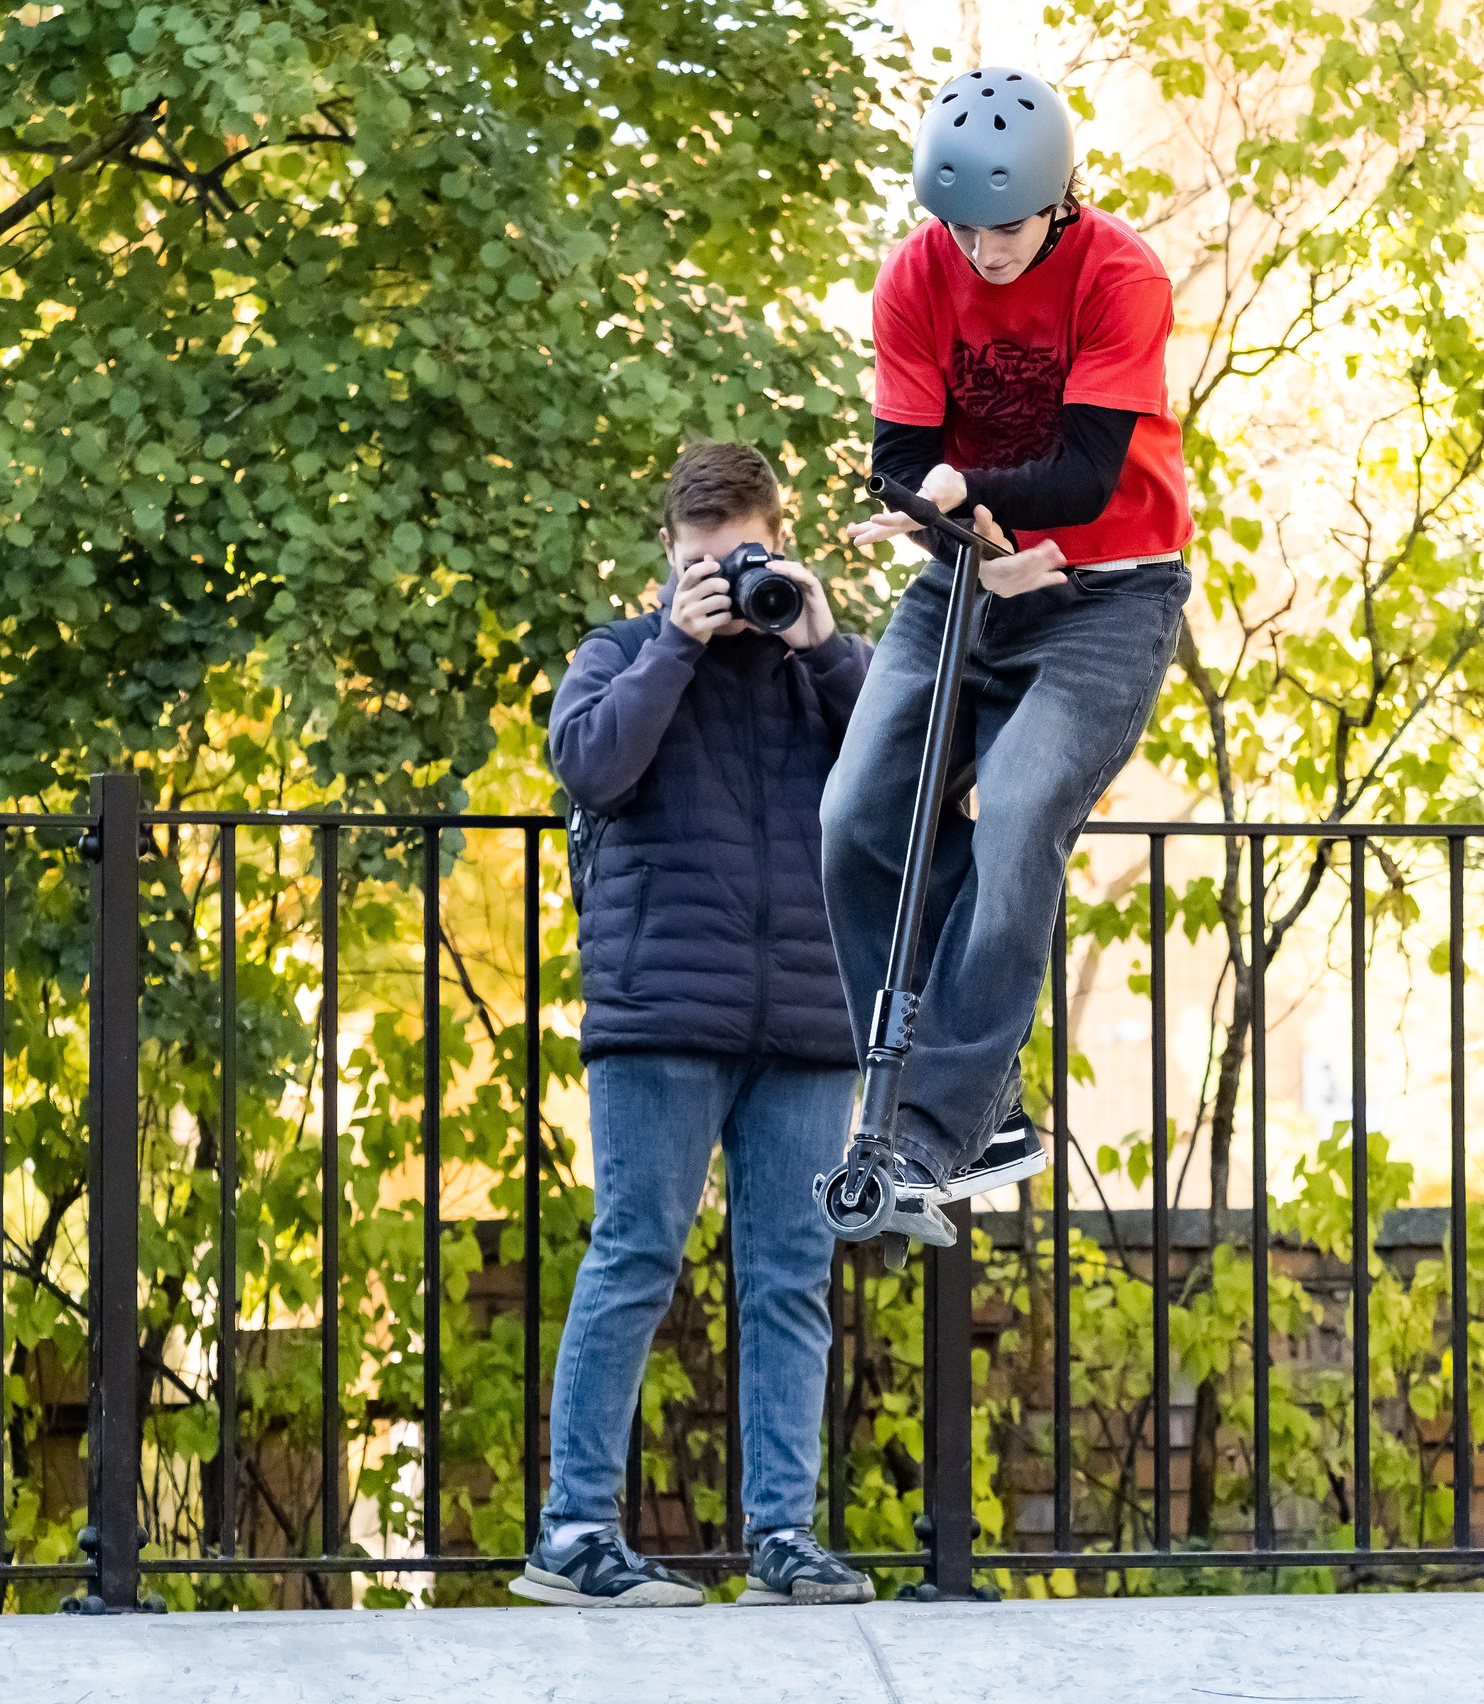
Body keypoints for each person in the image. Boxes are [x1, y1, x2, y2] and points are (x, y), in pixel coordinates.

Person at [823, 67, 1193, 1240]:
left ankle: (936, 1127)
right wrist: (960, 531)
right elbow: (898, 456)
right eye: (962, 227)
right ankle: (982, 1106)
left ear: (1059, 201)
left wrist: (968, 499)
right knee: (854, 817)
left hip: (1106, 592)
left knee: (1021, 803)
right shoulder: (913, 275)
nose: (981, 252)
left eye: (1006, 228)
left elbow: (1085, 477)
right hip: (965, 582)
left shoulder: (1120, 276)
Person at [518, 442, 876, 1609]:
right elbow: (591, 766)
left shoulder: (814, 664)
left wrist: (821, 643)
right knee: (633, 1259)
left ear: (782, 537)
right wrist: (676, 642)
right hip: (663, 1009)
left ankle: (784, 1537)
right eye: (703, 565)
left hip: (809, 1021)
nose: (729, 583)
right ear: (669, 559)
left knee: (790, 1278)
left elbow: (909, 769)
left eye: (748, 559)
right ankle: (574, 1533)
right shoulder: (621, 654)